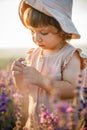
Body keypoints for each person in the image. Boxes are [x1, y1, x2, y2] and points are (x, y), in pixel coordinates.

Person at [11, 0, 87, 129]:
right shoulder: (33, 54)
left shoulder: (70, 56)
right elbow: (25, 90)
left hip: (60, 124)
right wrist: (18, 77)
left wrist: (41, 80)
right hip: (34, 124)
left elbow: (72, 90)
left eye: (44, 32)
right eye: (32, 31)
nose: (36, 38)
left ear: (63, 30)